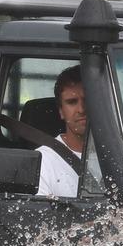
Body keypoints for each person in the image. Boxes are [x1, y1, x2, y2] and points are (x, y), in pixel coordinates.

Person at [37, 65, 86, 197]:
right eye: (72, 102)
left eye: (88, 100)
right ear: (61, 111)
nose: (81, 109)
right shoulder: (43, 162)